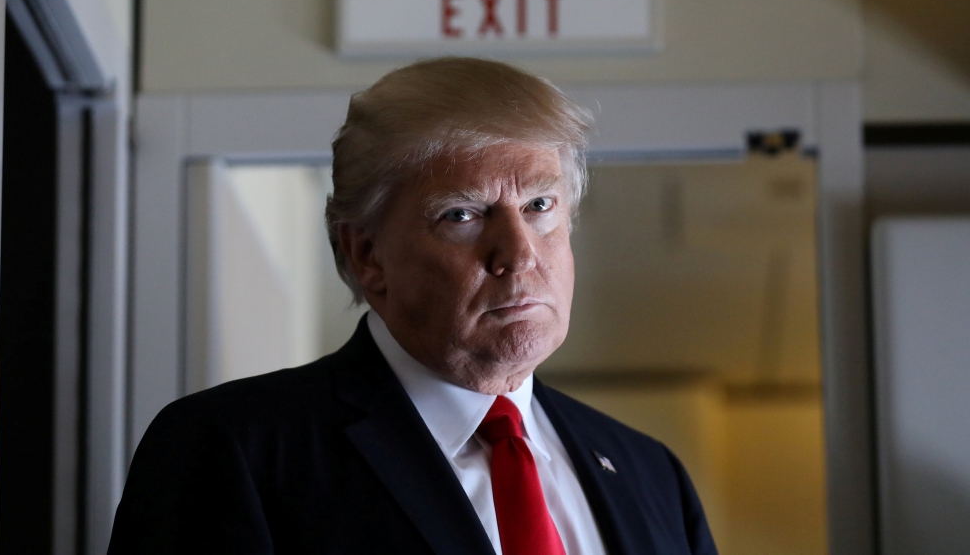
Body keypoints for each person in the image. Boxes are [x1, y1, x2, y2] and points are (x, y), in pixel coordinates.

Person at [107, 57, 718, 555]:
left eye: (539, 206)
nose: (518, 253)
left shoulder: (651, 475)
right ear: (368, 254)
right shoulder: (235, 450)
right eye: (462, 214)